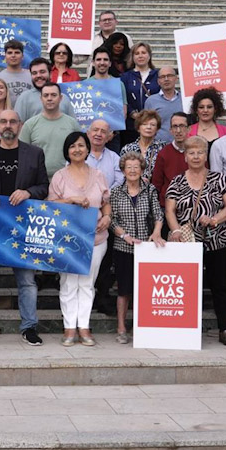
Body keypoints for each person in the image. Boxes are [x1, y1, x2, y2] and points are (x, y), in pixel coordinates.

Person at [0, 110, 48, 347]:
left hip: (23, 228)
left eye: (13, 121)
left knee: (27, 282)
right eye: (3, 121)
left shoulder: (34, 153)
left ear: (20, 125)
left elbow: (44, 186)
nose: (8, 125)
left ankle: (29, 327)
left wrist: (28, 192)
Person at [165, 136, 226, 346]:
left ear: (206, 155)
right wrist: (176, 230)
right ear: (185, 157)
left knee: (220, 286)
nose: (196, 156)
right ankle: (185, 328)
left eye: (200, 152)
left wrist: (215, 219)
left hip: (218, 241)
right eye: (191, 153)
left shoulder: (219, 178)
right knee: (186, 286)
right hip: (188, 244)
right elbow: (170, 210)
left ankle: (225, 328)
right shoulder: (177, 181)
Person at [48, 132, 111, 347]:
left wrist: (108, 217)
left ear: (87, 149)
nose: (77, 149)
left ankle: (83, 326)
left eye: (81, 145)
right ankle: (69, 327)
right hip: (67, 239)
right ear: (67, 150)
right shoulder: (59, 176)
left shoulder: (99, 175)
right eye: (73, 146)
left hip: (95, 237)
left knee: (87, 282)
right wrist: (71, 199)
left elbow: (105, 202)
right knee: (68, 283)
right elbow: (51, 207)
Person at [108, 152, 165, 343]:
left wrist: (156, 232)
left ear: (142, 170)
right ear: (123, 170)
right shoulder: (115, 192)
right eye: (128, 167)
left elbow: (158, 214)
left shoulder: (149, 189)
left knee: (146, 290)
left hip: (147, 248)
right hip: (123, 247)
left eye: (136, 167)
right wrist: (124, 235)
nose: (132, 171)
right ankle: (122, 328)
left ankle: (144, 326)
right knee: (124, 289)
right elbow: (111, 220)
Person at [86, 118, 124, 315]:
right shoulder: (78, 155)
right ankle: (85, 297)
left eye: (103, 131)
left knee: (105, 260)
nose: (99, 134)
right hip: (83, 214)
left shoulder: (115, 158)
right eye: (95, 130)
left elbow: (120, 182)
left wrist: (103, 197)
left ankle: (101, 296)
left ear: (110, 137)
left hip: (107, 214)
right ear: (88, 133)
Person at [19, 82, 81, 178]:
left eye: (53, 95)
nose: (49, 98)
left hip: (68, 180)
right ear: (41, 99)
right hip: (37, 181)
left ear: (60, 98)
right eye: (46, 95)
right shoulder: (29, 125)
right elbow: (22, 155)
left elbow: (80, 152)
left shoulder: (72, 124)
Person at [120, 41, 159, 146]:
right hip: (131, 125)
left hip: (153, 125)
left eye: (143, 52)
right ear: (132, 57)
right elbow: (122, 98)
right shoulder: (125, 77)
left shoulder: (158, 75)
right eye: (137, 53)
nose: (140, 55)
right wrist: (133, 113)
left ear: (149, 55)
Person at [15, 57, 75, 122]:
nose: (38, 75)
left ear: (51, 74)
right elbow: (17, 125)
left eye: (42, 72)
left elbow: (73, 126)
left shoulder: (64, 98)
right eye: (34, 73)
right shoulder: (24, 98)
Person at [151, 112, 191, 204]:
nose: (178, 130)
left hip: (192, 204)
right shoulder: (163, 154)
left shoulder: (196, 152)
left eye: (182, 126)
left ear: (189, 129)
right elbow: (156, 185)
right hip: (168, 204)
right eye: (175, 126)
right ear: (170, 130)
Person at [121, 109, 167, 184]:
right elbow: (122, 173)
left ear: (157, 129)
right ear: (138, 128)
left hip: (156, 190)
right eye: (144, 124)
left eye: (152, 125)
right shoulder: (127, 149)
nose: (148, 127)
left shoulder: (163, 148)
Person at [143, 67, 183, 143]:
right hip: (158, 146)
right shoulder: (151, 101)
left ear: (176, 78)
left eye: (170, 75)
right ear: (158, 81)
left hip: (182, 146)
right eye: (162, 77)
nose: (166, 79)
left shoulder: (184, 100)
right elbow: (147, 126)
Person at [188, 86, 226, 150]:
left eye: (209, 107)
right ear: (196, 110)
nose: (205, 110)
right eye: (201, 107)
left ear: (215, 109)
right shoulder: (188, 131)